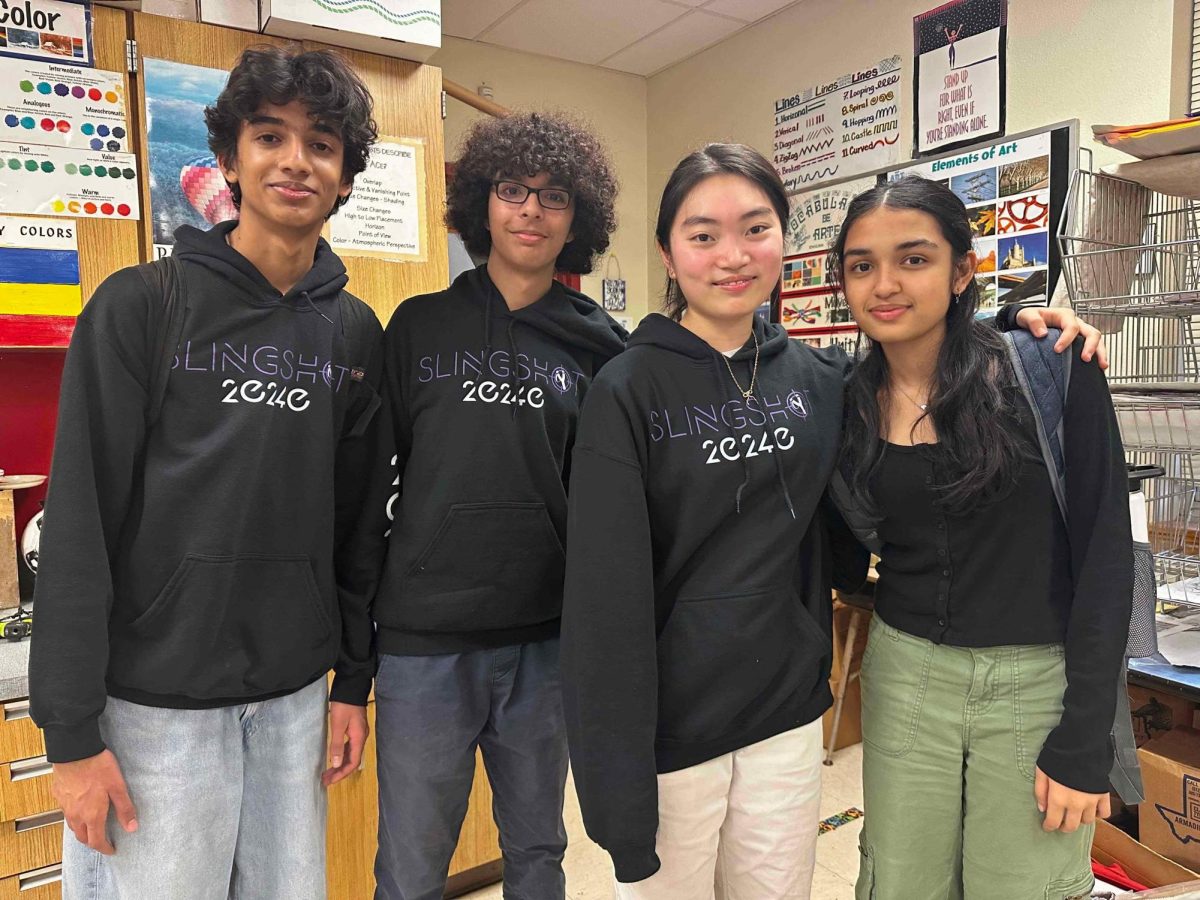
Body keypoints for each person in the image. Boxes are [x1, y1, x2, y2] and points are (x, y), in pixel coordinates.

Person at [559, 144, 1106, 900]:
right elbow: (601, 600)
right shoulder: (633, 389)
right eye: (702, 234)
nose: (732, 256)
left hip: (790, 716)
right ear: (667, 250)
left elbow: (931, 361)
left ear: (784, 241)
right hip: (684, 727)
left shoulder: (822, 383)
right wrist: (613, 787)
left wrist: (1017, 319)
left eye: (755, 228)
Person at [29, 46, 390, 900]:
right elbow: (79, 522)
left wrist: (353, 681)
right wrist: (73, 737)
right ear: (229, 159)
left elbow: (357, 526)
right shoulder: (141, 306)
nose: (296, 160)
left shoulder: (353, 335)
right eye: (270, 136)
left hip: (295, 700)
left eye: (323, 144)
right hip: (154, 710)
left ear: (344, 178)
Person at [829, 175, 1129, 900]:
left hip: (1035, 684)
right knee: (900, 883)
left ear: (963, 270)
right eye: (862, 265)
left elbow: (1105, 560)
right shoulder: (842, 401)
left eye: (914, 258)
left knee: (1021, 885)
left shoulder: (1051, 368)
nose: (885, 284)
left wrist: (1086, 740)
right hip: (906, 678)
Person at [372, 111, 626, 900]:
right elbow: (379, 472)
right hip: (424, 644)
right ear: (482, 203)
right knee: (411, 867)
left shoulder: (601, 346)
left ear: (576, 218)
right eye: (513, 190)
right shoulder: (418, 326)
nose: (530, 211)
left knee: (538, 851)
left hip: (545, 644)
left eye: (553, 197)